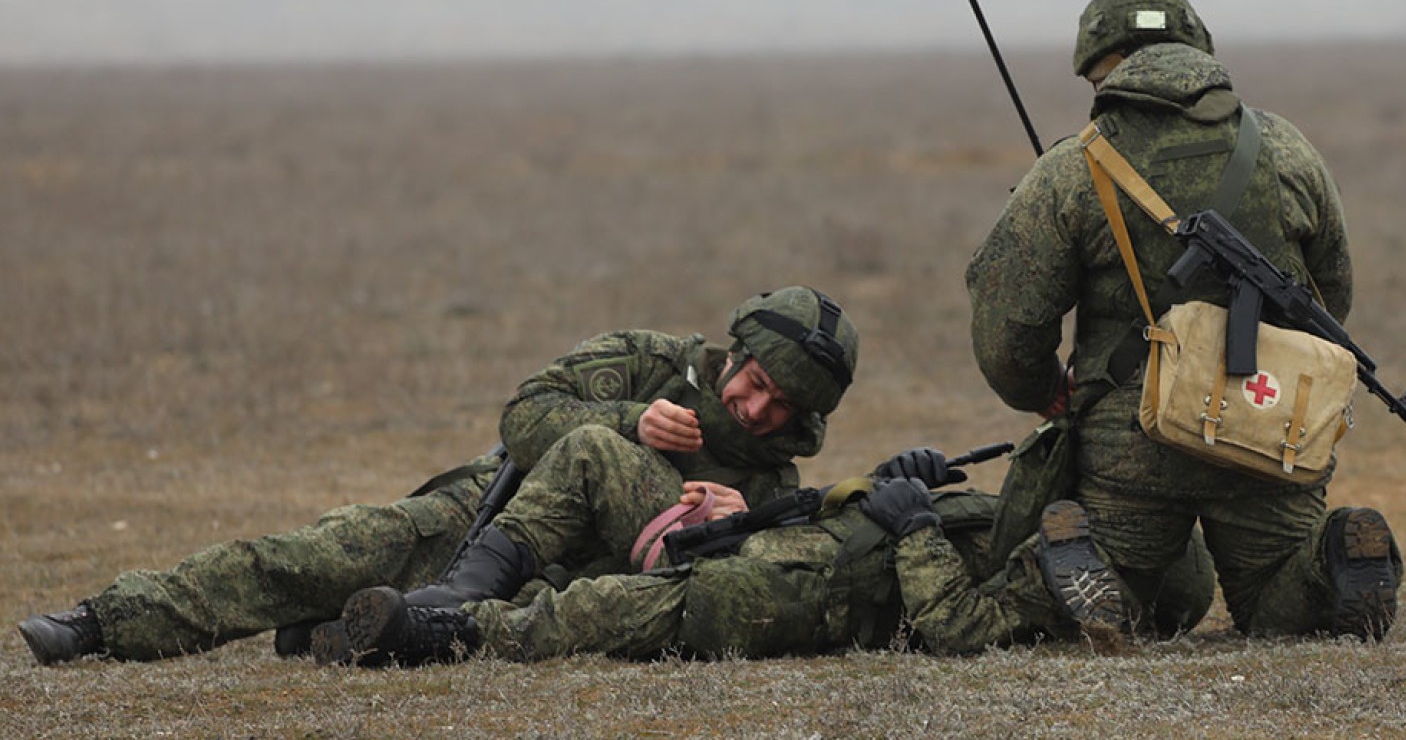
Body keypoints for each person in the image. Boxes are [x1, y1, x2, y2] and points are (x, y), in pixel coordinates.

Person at [16, 286, 859, 665]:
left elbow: (727, 586)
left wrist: (737, 515)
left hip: (549, 587)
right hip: (479, 518)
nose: (756, 410)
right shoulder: (647, 362)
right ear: (735, 353)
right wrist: (622, 422)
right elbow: (523, 415)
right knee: (313, 556)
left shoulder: (773, 480)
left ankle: (331, 636)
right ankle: (102, 624)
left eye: (781, 406)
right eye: (754, 384)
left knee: (450, 631)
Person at [965, 0, 1404, 640]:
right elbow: (1330, 296)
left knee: (1113, 602)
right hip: (1268, 424)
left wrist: (1045, 392)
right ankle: (1333, 557)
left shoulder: (1070, 170)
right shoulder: (1285, 149)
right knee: (1283, 600)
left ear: (1099, 70)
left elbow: (1007, 333)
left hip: (1134, 439)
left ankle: (1093, 570)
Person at [318, 438, 1214, 667]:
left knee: (619, 613)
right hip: (816, 547)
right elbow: (943, 521)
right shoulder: (1057, 534)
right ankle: (366, 626)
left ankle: (440, 638)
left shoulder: (1081, 588)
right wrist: (909, 482)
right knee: (607, 583)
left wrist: (919, 531)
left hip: (823, 595)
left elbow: (958, 628)